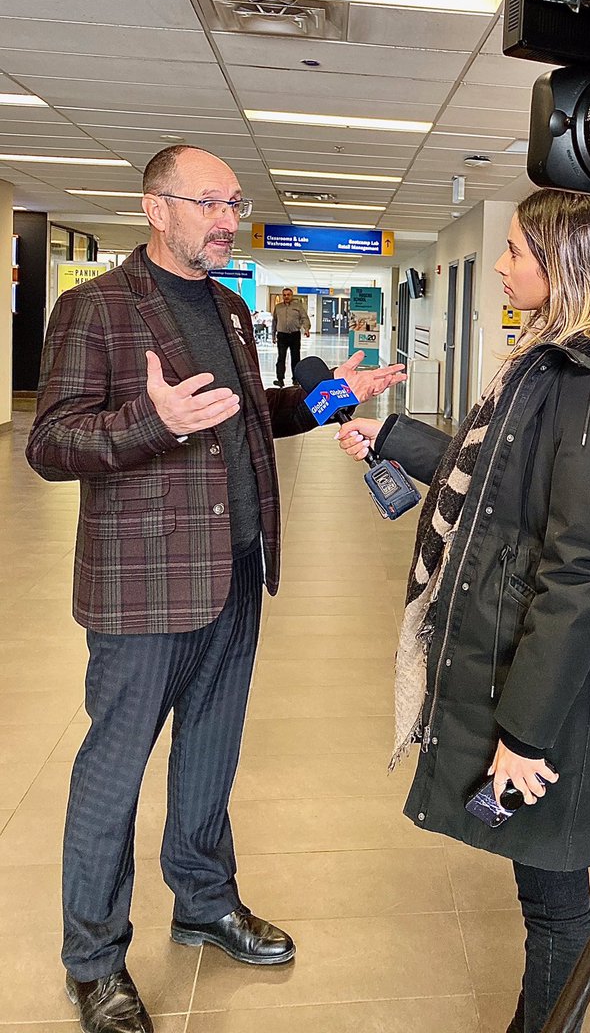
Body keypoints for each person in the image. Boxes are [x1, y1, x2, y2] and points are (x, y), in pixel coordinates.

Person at [336, 189, 590, 1033]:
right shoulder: (547, 362)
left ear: (563, 265)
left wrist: (525, 735)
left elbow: (580, 570)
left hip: (559, 691)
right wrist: (391, 438)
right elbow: (496, 484)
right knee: (545, 891)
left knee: (556, 905)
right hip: (534, 668)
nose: (501, 265)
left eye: (516, 252)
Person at [25, 144, 405, 1033]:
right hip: (142, 589)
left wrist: (330, 397)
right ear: (156, 208)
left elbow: (246, 417)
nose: (229, 220)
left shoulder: (230, 309)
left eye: (235, 203)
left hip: (234, 570)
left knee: (211, 754)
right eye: (210, 204)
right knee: (113, 775)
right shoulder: (96, 308)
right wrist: (149, 422)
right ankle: (93, 962)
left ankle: (203, 900)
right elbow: (50, 442)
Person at [272, 286, 310, 386]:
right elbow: (274, 321)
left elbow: (304, 318)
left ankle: (296, 379)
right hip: (282, 336)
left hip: (294, 335)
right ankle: (280, 379)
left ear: (292, 295)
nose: (286, 297)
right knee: (281, 358)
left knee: (295, 358)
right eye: (284, 295)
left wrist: (306, 329)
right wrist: (273, 335)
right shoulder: (278, 307)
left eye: (288, 295)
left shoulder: (298, 307)